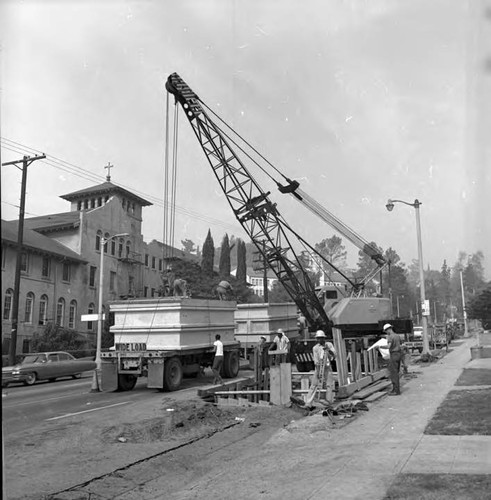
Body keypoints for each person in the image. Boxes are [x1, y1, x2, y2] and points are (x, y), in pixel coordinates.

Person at [312, 330, 336, 403]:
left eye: (321, 338)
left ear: (324, 338)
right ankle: (309, 402)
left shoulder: (329, 344)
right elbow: (316, 361)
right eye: (318, 338)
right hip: (319, 366)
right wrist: (319, 371)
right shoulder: (315, 348)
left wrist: (328, 350)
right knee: (314, 384)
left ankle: (328, 401)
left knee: (329, 384)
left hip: (327, 366)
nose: (319, 340)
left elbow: (334, 355)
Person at [383, 323, 402, 395]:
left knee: (393, 373)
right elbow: (400, 345)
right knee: (396, 372)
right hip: (399, 354)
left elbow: (388, 346)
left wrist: (379, 347)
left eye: (386, 331)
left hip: (393, 354)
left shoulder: (390, 337)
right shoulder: (397, 336)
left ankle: (396, 390)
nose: (386, 332)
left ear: (388, 329)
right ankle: (395, 389)